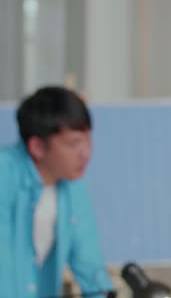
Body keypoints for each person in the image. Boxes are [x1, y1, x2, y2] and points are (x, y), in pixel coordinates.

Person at [0, 86, 113, 297]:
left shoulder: (72, 181)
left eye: (88, 140)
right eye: (74, 144)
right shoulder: (4, 175)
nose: (86, 153)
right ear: (38, 147)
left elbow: (90, 267)